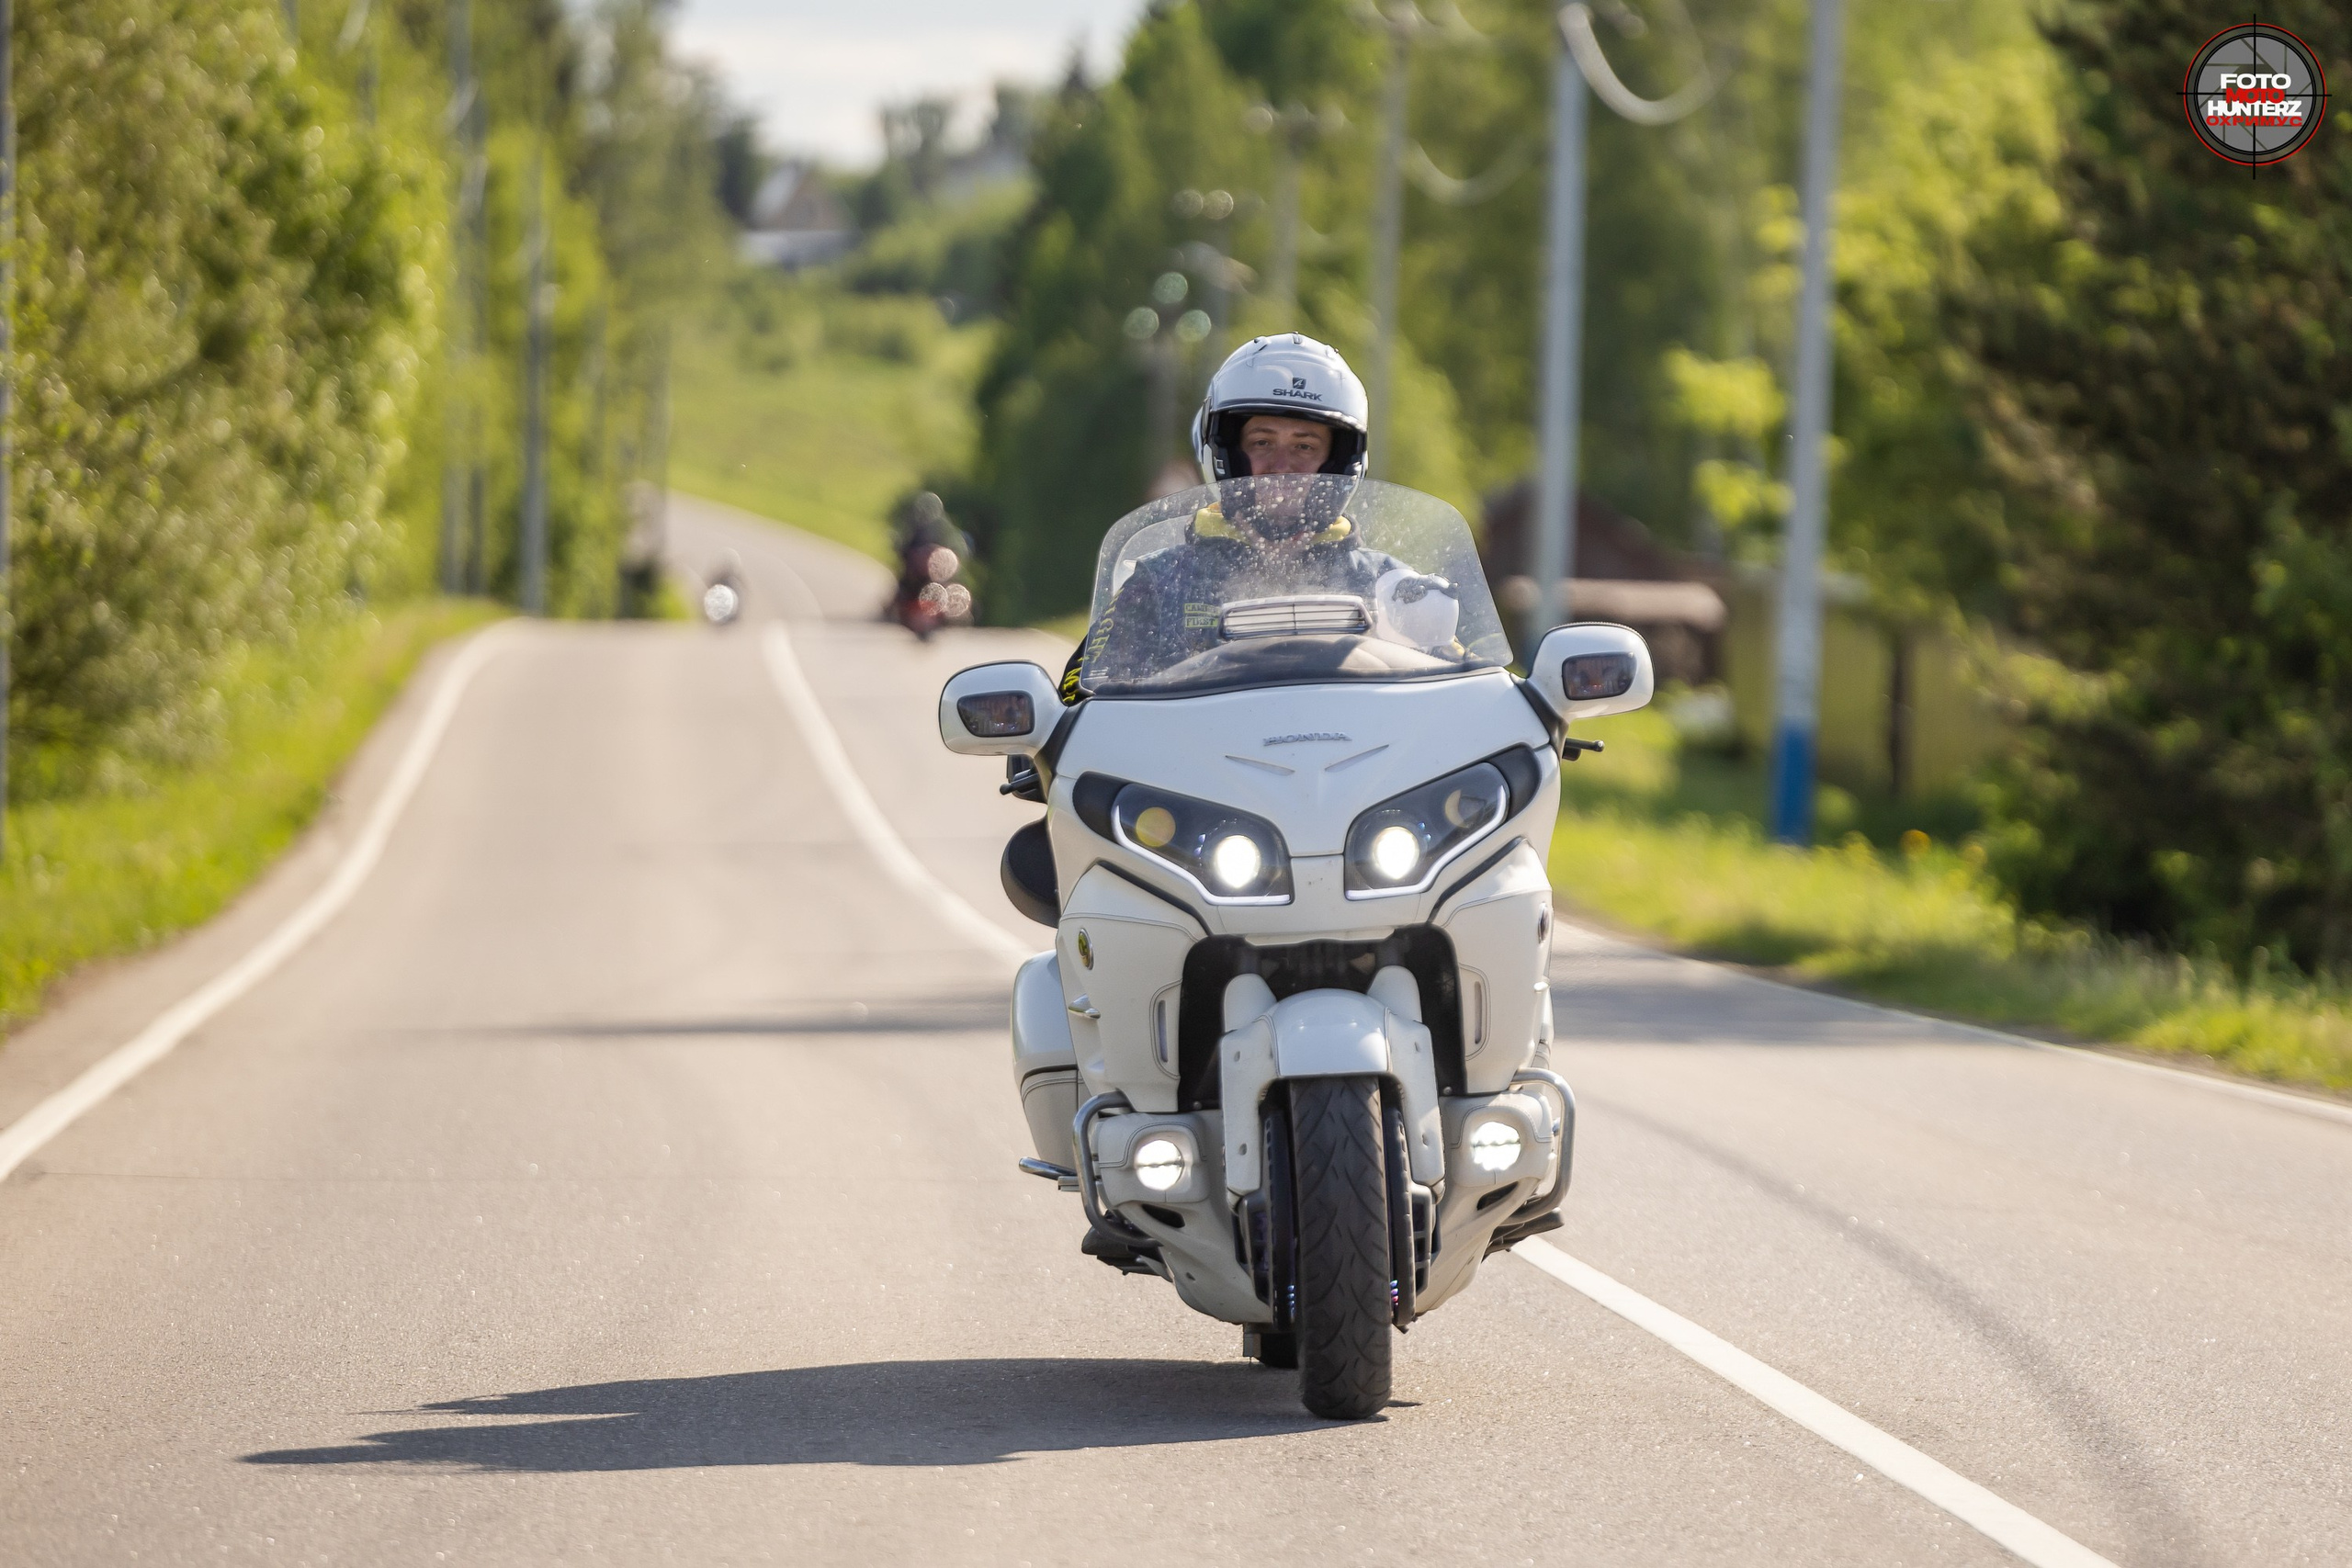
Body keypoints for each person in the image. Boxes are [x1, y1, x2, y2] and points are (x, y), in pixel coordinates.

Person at [1059, 334, 1459, 698]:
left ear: (1339, 463)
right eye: (1262, 442)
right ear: (1227, 454)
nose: (1281, 467)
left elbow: (1467, 694)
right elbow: (1077, 700)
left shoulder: (1390, 586)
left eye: (1304, 447)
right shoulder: (1160, 583)